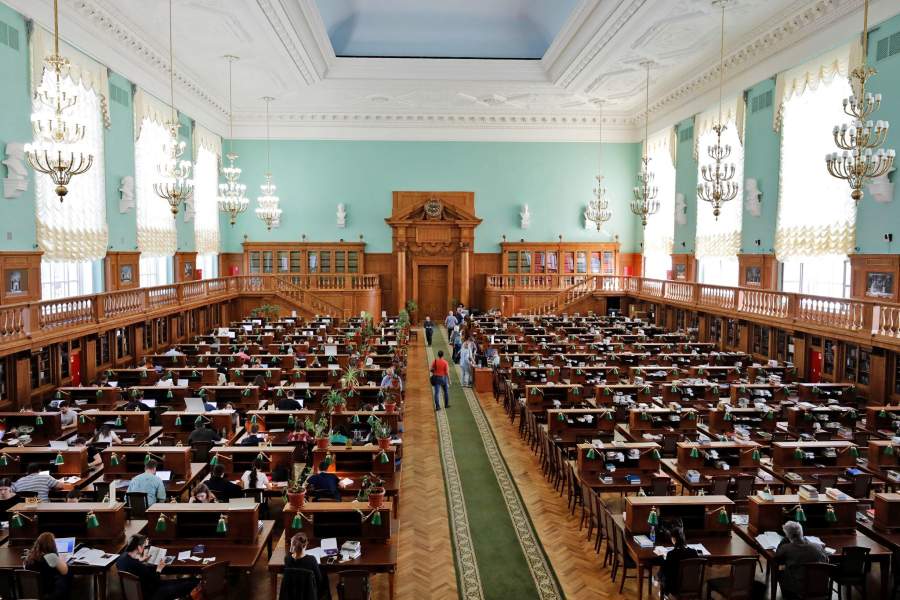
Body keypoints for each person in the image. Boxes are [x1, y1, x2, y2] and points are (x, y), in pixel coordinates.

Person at [116, 533, 199, 600]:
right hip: (152, 594)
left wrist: (141, 560)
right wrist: (159, 569)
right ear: (138, 547)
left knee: (184, 582)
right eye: (144, 546)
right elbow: (156, 581)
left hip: (136, 593)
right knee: (193, 583)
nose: (144, 548)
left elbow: (132, 566)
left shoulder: (122, 558)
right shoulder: (139, 566)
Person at [775, 520, 829, 600]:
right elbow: (827, 560)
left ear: (788, 535)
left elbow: (777, 557)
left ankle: (787, 597)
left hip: (800, 588)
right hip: (820, 586)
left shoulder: (786, 548)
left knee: (780, 570)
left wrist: (783, 541)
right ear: (801, 532)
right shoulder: (818, 546)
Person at [24, 532, 71, 600]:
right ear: (52, 545)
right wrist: (61, 560)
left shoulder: (30, 556)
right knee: (67, 575)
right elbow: (65, 571)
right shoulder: (51, 556)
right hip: (49, 593)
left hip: (33, 591)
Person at [285, 532, 331, 599]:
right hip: (309, 594)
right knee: (324, 576)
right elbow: (319, 580)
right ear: (305, 546)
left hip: (293, 594)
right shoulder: (311, 559)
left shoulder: (287, 559)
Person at [660, 523, 700, 595]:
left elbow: (667, 572)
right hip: (691, 586)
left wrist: (663, 560)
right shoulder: (694, 552)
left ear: (674, 539)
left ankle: (656, 581)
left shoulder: (671, 554)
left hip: (674, 588)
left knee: (663, 570)